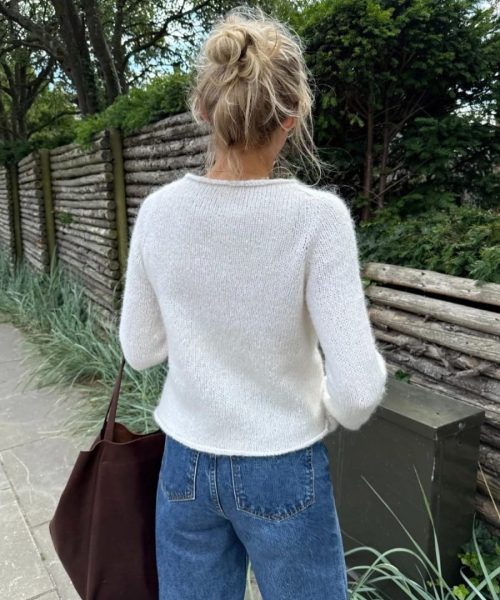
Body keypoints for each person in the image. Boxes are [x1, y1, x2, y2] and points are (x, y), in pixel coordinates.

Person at [118, 5, 388, 599]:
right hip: (283, 461)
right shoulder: (318, 220)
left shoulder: (159, 213)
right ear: (291, 119)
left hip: (186, 464)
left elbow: (139, 350)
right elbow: (359, 390)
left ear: (202, 109)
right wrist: (318, 406)